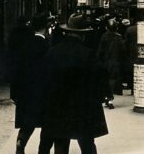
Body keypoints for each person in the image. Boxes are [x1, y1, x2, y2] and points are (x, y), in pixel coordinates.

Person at [41, 13, 108, 154]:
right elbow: (99, 79)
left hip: (58, 106)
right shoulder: (88, 54)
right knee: (87, 143)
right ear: (83, 35)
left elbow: (44, 80)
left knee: (60, 142)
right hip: (83, 107)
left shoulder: (53, 52)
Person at [9, 13, 52, 154]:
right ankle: (42, 151)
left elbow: (16, 70)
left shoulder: (24, 46)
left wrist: (14, 93)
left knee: (27, 125)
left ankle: (20, 146)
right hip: (44, 93)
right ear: (45, 28)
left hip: (26, 93)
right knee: (47, 125)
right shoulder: (48, 47)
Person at [97, 17, 127, 109]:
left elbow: (100, 51)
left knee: (105, 80)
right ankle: (109, 98)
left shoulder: (104, 36)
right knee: (112, 80)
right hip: (116, 62)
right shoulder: (119, 37)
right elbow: (123, 50)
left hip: (105, 62)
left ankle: (107, 97)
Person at [123, 18, 137, 94]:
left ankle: (131, 87)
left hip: (131, 52)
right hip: (140, 52)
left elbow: (126, 42)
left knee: (131, 70)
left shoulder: (129, 29)